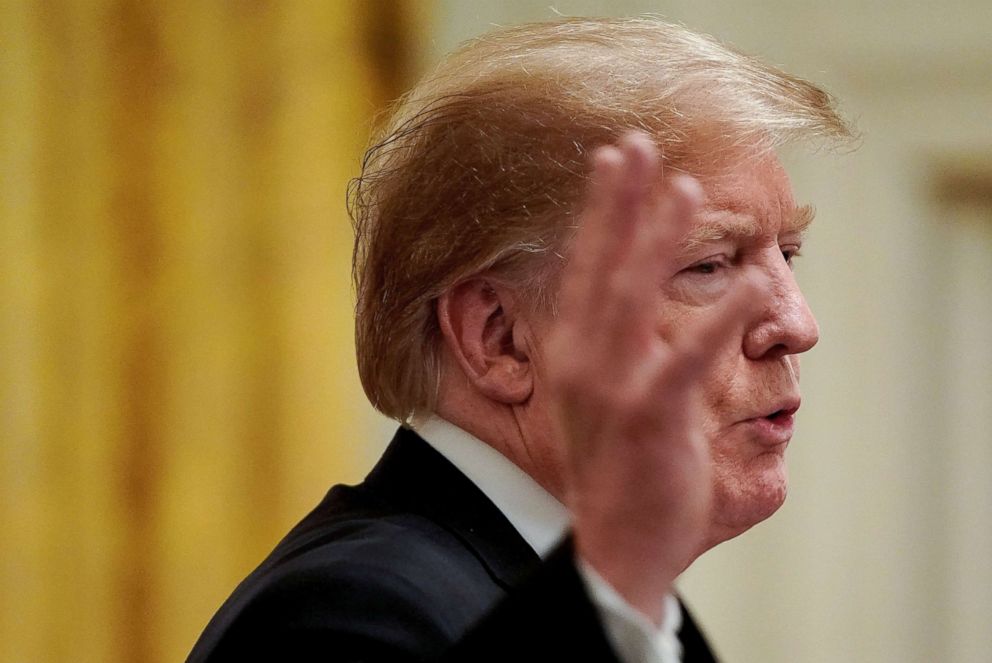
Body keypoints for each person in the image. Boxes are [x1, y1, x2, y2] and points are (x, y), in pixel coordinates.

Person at [187, 16, 852, 663]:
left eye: (786, 254)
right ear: (498, 339)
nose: (797, 325)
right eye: (710, 264)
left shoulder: (622, 615)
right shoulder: (346, 617)